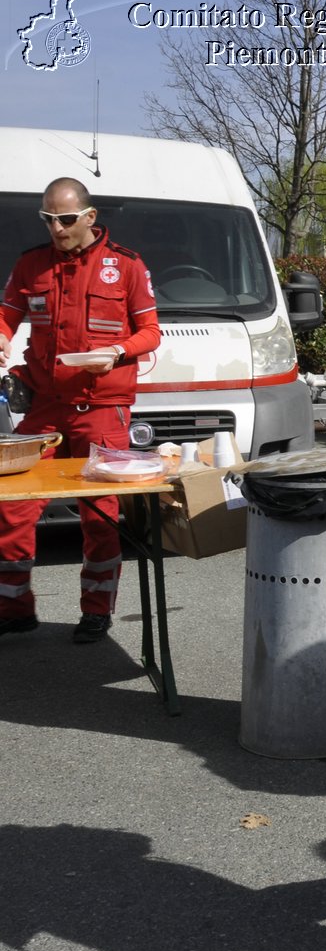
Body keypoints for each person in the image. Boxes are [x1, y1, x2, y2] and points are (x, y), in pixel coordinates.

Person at [0, 177, 160, 644]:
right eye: (48, 219)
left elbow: (151, 331)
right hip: (45, 408)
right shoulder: (32, 264)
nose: (57, 228)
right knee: (13, 507)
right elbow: (8, 313)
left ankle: (96, 611)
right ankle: (14, 608)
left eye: (66, 219)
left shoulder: (126, 266)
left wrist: (118, 352)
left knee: (100, 513)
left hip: (102, 408)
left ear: (89, 217)